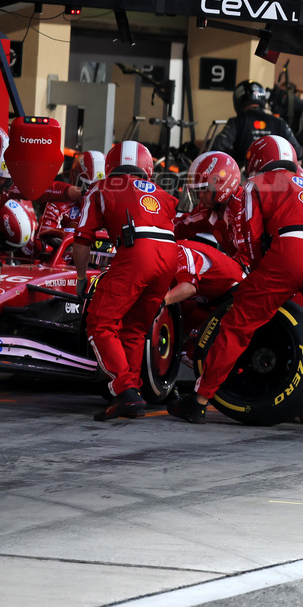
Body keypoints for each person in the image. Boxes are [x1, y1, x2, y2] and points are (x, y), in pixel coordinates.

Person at [167, 136, 303, 432]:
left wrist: (258, 275)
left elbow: (250, 238)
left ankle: (200, 401)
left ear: (256, 161)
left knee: (237, 326)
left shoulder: (255, 184)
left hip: (289, 252)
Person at [74, 141, 180, 421]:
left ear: (109, 166)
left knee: (99, 322)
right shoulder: (162, 193)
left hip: (137, 252)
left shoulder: (101, 188)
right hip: (169, 255)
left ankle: (125, 390)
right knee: (133, 329)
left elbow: (82, 238)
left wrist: (82, 278)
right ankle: (131, 394)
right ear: (147, 169)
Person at [210, 80, 301, 165]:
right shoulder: (280, 123)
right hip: (275, 177)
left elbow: (217, 145)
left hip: (245, 177)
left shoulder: (236, 122)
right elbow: (298, 152)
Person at [176, 151, 242, 254]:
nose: (200, 195)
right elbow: (182, 226)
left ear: (222, 185)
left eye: (204, 189)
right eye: (197, 190)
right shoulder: (208, 209)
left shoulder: (242, 209)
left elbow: (248, 260)